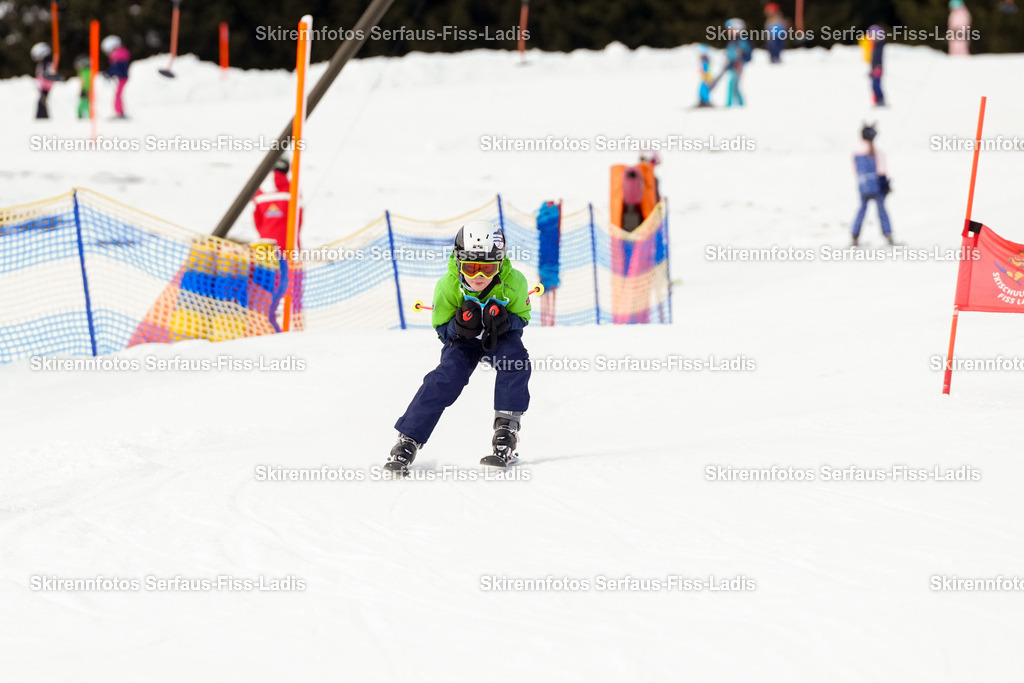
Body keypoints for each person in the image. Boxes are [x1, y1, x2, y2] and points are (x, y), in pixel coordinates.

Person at [387, 221, 533, 475]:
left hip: (499, 335)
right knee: (447, 377)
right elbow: (441, 327)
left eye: (487, 269)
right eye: (471, 267)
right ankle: (408, 439)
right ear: (458, 262)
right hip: (464, 341)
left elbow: (523, 317)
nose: (479, 276)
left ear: (499, 264)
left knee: (516, 361)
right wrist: (458, 328)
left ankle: (506, 430)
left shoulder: (515, 282)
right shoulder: (448, 286)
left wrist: (505, 322)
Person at [850, 123, 894, 247]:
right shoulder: (876, 152)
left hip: (863, 186)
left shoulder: (856, 152)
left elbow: (855, 170)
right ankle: (888, 235)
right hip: (876, 186)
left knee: (861, 210)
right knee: (882, 211)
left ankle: (855, 235)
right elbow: (881, 170)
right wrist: (885, 184)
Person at [252, 157, 303, 250]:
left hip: (266, 246)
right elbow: (298, 219)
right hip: (289, 245)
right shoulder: (292, 189)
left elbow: (256, 220)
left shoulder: (259, 192)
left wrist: (265, 233)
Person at [724, 18, 752, 107]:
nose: (728, 32)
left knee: (733, 84)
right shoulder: (733, 41)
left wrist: (741, 53)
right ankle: (739, 103)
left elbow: (745, 51)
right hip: (732, 65)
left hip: (738, 65)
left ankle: (730, 103)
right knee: (733, 84)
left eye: (730, 30)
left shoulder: (741, 41)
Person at [101, 35, 131, 119]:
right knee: (118, 95)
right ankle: (119, 112)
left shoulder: (118, 56)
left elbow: (116, 67)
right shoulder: (122, 54)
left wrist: (109, 73)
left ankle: (120, 113)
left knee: (118, 95)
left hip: (122, 78)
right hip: (122, 77)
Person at [31, 42, 54, 119]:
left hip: (45, 86)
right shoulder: (46, 62)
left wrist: (42, 84)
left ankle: (42, 116)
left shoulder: (46, 62)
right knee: (42, 101)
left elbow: (46, 74)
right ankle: (42, 116)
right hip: (45, 85)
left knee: (42, 101)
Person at [866, 25, 886, 106]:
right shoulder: (874, 45)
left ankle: (880, 100)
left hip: (878, 68)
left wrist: (877, 67)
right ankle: (877, 100)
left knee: (876, 85)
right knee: (874, 85)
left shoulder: (879, 45)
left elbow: (878, 57)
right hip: (875, 68)